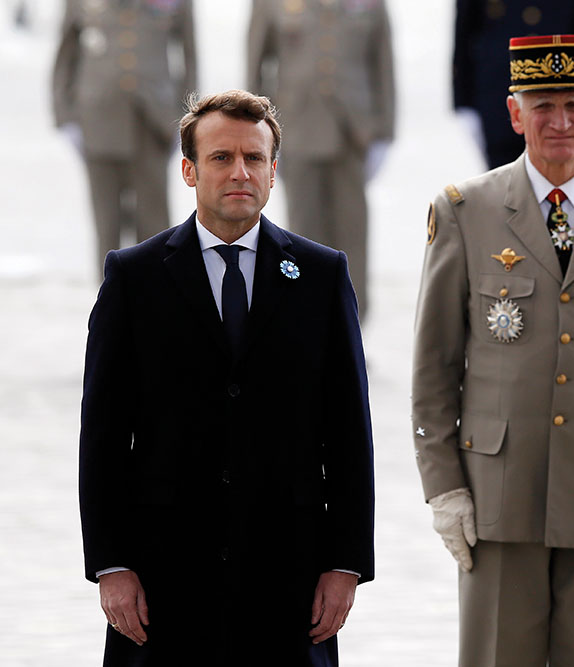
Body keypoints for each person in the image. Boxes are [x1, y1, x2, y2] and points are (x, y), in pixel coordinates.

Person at [79, 90, 375, 666]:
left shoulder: (320, 275)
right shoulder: (134, 278)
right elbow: (104, 437)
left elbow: (347, 432)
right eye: (220, 158)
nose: (240, 172)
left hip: (288, 576)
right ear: (189, 170)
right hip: (163, 578)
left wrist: (345, 563)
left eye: (254, 158)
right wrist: (111, 565)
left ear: (272, 171)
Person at [412, 34, 574, 666]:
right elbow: (434, 368)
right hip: (500, 498)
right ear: (514, 114)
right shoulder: (464, 212)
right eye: (542, 106)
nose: (559, 122)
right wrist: (444, 486)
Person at [247, 0, 395, 321]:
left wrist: (385, 131)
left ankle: (351, 327)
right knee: (302, 233)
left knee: (352, 232)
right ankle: (305, 325)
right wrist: (254, 132)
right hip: (297, 129)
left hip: (354, 133)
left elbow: (382, 61)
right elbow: (256, 64)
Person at [52, 0, 197, 278]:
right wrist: (66, 116)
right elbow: (65, 56)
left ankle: (155, 302)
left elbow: (189, 55)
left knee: (154, 225)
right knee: (107, 226)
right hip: (98, 120)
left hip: (152, 122)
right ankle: (111, 305)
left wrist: (188, 115)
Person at [453, 0, 574, 170]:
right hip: (498, 99)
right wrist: (464, 103)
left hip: (557, 97)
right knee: (505, 182)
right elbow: (464, 35)